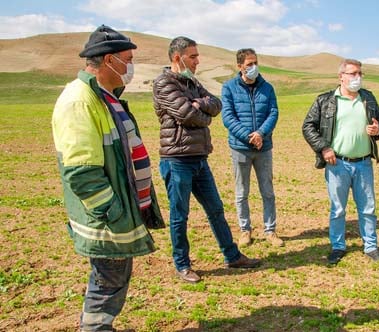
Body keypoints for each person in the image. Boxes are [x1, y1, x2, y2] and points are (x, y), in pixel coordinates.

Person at [51, 25, 165, 331]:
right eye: (127, 59)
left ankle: (99, 326)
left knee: (112, 277)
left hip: (118, 214)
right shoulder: (79, 100)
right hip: (107, 219)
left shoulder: (103, 96)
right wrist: (114, 213)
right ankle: (95, 328)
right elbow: (82, 172)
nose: (131, 67)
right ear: (109, 60)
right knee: (108, 280)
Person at [153, 36, 260, 284]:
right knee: (180, 214)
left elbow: (216, 104)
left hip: (199, 157)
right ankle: (182, 264)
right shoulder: (163, 83)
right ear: (177, 57)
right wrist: (203, 112)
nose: (197, 60)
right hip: (177, 159)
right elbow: (187, 115)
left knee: (215, 209)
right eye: (193, 56)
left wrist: (200, 104)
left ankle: (232, 256)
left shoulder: (192, 82)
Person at [302, 59, 379, 265]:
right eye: (352, 74)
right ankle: (338, 246)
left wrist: (378, 130)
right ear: (341, 76)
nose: (357, 77)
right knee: (338, 208)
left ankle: (371, 246)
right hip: (337, 164)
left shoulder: (368, 98)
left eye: (360, 73)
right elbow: (308, 126)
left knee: (368, 207)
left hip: (363, 163)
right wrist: (323, 148)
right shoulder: (326, 100)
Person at [221, 48, 281, 247]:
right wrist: (249, 137)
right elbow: (228, 117)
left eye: (255, 63)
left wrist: (261, 134)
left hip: (264, 148)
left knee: (268, 191)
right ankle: (245, 230)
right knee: (241, 192)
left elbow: (273, 112)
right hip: (240, 148)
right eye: (249, 64)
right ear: (240, 66)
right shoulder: (229, 87)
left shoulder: (268, 88)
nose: (253, 67)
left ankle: (270, 230)